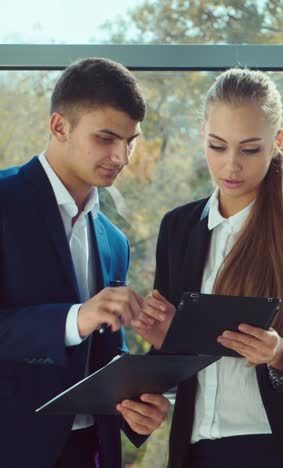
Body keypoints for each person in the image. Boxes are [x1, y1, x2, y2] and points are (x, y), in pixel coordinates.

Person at [134, 68, 283, 468]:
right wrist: (163, 344)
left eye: (250, 149)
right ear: (202, 134)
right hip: (198, 451)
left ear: (277, 142)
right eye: (218, 146)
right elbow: (173, 353)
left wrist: (280, 352)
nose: (231, 165)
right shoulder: (178, 229)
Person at [0, 58, 170, 468]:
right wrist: (75, 318)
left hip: (93, 451)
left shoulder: (114, 241)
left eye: (130, 141)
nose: (122, 156)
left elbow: (108, 354)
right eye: (106, 138)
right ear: (59, 126)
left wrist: (139, 414)